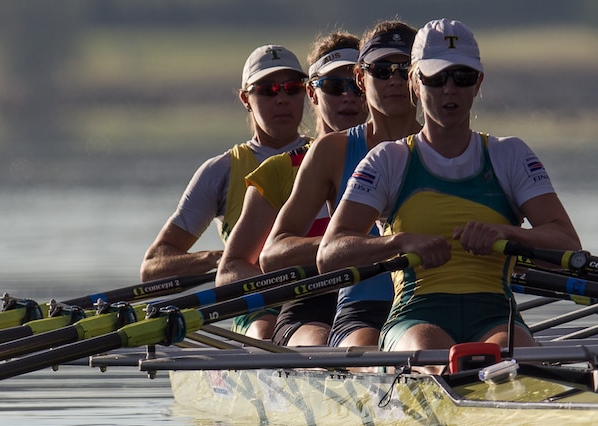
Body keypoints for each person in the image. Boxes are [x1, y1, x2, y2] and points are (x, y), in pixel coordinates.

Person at [316, 19, 581, 356]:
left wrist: (509, 236)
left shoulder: (509, 154)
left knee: (507, 355)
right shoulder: (388, 160)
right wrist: (400, 242)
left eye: (462, 77)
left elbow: (568, 244)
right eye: (436, 78)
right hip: (416, 316)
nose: (449, 90)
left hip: (497, 315)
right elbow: (329, 255)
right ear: (415, 81)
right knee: (438, 356)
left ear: (478, 82)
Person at [260, 20, 421, 348]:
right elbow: (273, 256)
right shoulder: (333, 151)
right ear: (363, 78)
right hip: (364, 310)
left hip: (433, 306)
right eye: (382, 70)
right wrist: (362, 245)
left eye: (404, 70)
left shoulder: (450, 144)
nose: (394, 80)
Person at [140, 44, 309, 339]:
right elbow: (154, 268)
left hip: (321, 294)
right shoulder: (220, 171)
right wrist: (218, 259)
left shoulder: (328, 155)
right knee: (266, 330)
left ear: (306, 93)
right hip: (257, 305)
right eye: (268, 90)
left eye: (292, 88)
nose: (282, 98)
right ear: (246, 98)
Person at [216, 31, 369, 345]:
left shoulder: (398, 159)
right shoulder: (280, 170)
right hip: (310, 302)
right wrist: (339, 250)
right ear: (312, 94)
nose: (348, 97)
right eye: (334, 86)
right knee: (321, 343)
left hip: (381, 301)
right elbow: (230, 270)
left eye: (355, 86)